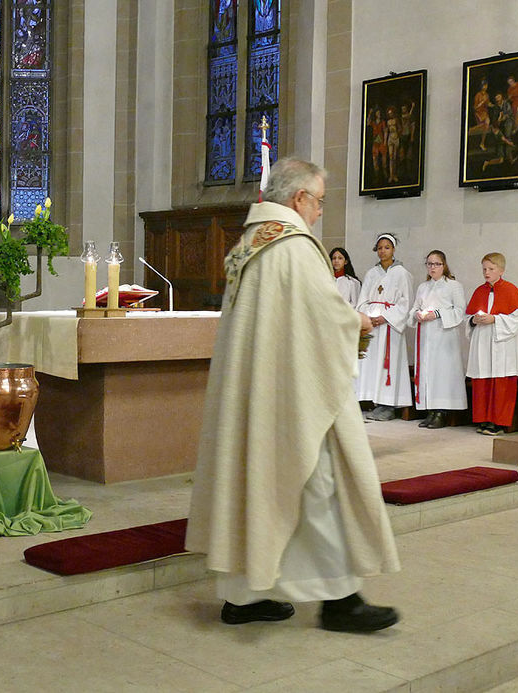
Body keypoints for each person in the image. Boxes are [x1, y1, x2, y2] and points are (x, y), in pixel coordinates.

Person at [186, 158, 400, 634]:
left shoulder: (251, 243)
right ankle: (341, 602)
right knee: (319, 484)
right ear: (299, 198)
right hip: (294, 394)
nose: (321, 210)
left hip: (257, 390)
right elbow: (323, 315)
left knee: (254, 482)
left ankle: (242, 597)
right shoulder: (295, 246)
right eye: (320, 200)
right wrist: (358, 322)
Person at [465, 253, 518, 436]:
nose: (486, 272)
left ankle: (498, 422)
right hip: (482, 343)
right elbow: (467, 318)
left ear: (501, 270)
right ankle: (483, 419)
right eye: (484, 269)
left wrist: (495, 319)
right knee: (483, 381)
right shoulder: (479, 291)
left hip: (502, 345)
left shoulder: (511, 290)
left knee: (500, 384)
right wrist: (473, 320)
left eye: (491, 269)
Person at [355, 233, 413, 420]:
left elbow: (406, 303)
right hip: (373, 325)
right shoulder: (372, 273)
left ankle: (388, 404)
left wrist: (386, 316)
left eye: (387, 247)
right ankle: (373, 401)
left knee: (388, 364)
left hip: (389, 327)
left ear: (393, 249)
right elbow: (362, 299)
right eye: (380, 247)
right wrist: (367, 317)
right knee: (372, 364)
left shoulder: (402, 274)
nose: (383, 251)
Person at [408, 251, 468, 429]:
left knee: (442, 373)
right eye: (429, 264)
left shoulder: (453, 286)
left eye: (436, 264)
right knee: (428, 372)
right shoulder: (423, 287)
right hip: (426, 336)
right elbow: (414, 309)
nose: (432, 267)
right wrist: (417, 315)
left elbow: (460, 311)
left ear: (444, 265)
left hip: (444, 336)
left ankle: (442, 411)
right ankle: (430, 410)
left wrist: (437, 314)